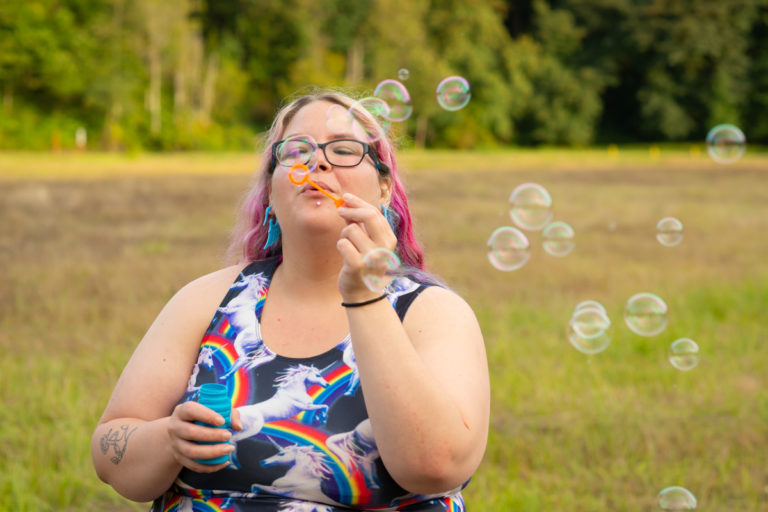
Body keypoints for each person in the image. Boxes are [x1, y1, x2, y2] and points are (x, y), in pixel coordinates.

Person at [91, 89, 490, 511]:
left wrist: (366, 297)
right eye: (296, 150)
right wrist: (167, 440)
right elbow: (110, 452)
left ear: (385, 188)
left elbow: (437, 466)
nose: (316, 162)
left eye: (343, 150)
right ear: (270, 191)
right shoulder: (208, 300)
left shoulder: (432, 313)